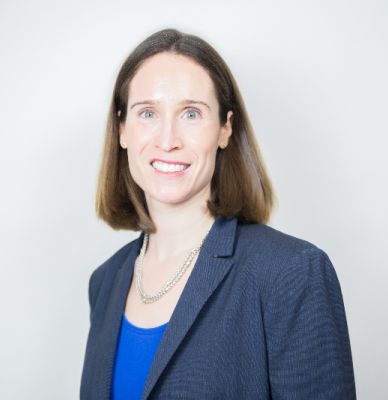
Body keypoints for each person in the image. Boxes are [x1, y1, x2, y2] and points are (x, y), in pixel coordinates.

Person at [80, 28, 356, 400]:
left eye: (191, 113)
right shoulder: (105, 283)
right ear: (122, 129)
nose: (167, 139)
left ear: (225, 128)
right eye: (147, 112)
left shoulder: (291, 272)